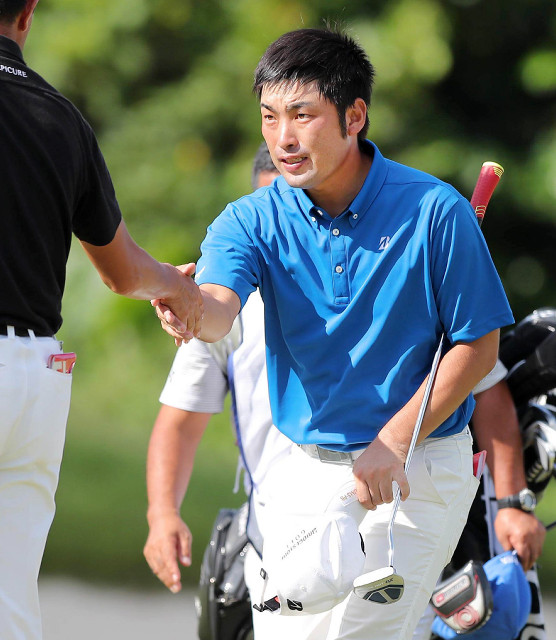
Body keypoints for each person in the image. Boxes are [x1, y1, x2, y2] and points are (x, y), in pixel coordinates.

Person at [155, 27, 514, 640]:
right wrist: (188, 306)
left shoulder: (436, 210)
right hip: (302, 472)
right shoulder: (249, 217)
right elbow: (218, 308)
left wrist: (396, 438)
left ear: (355, 115)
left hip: (416, 468)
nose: (283, 139)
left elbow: (479, 346)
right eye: (269, 117)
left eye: (302, 116)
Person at [0, 2, 201, 639]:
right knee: (9, 601)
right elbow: (121, 271)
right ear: (27, 14)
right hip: (38, 375)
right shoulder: (61, 118)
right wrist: (173, 284)